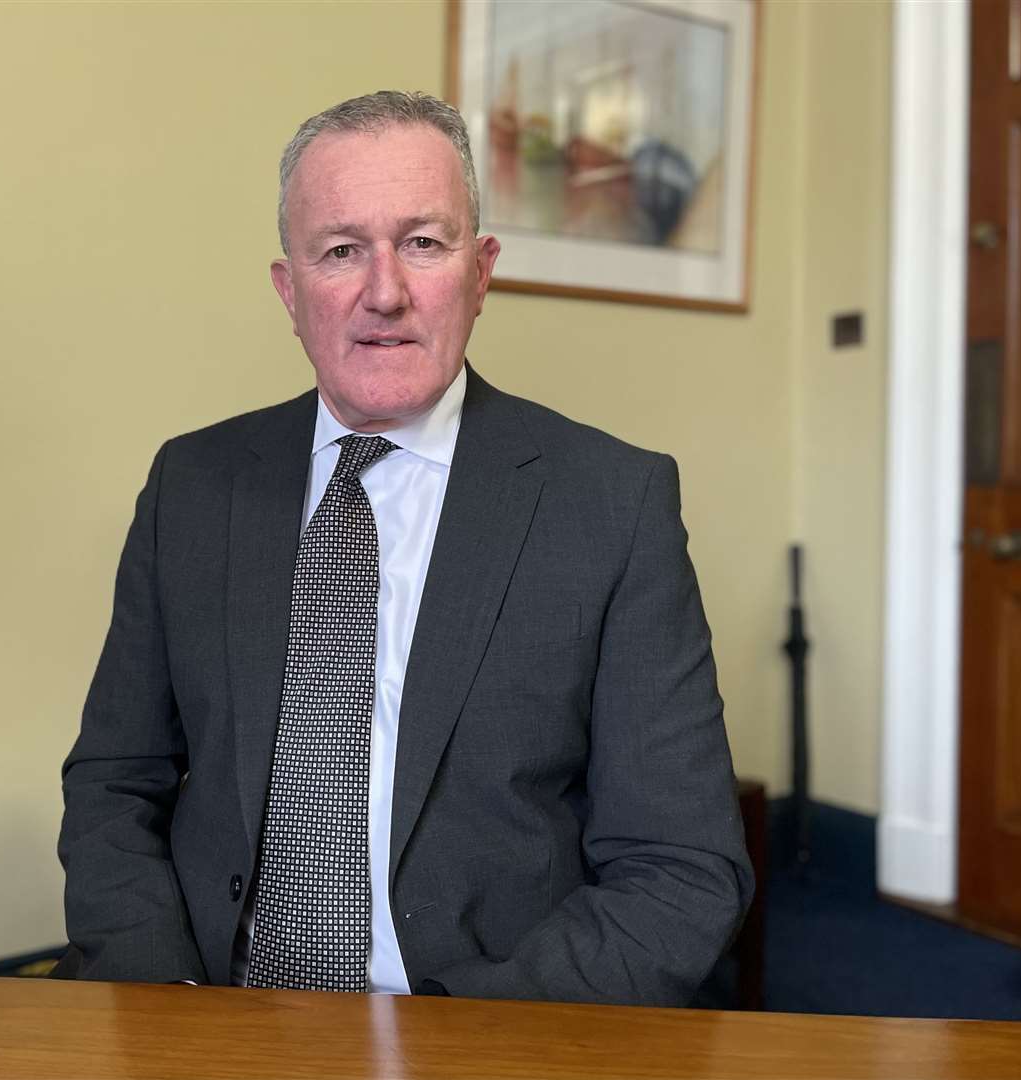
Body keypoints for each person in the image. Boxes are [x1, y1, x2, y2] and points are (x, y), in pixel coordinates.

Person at [59, 90, 753, 1004]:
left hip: (491, 1029)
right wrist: (168, 1011)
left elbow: (680, 869)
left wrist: (466, 1044)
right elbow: (115, 782)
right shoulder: (192, 486)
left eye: (423, 242)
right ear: (289, 290)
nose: (383, 291)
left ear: (481, 270)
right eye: (341, 250)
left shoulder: (610, 503)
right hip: (215, 1019)